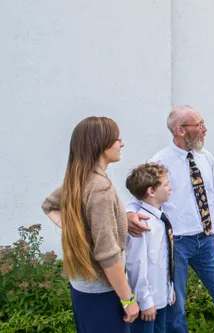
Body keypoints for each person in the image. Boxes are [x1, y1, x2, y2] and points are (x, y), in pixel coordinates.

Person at [126, 105, 214, 333]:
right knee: (175, 310)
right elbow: (139, 194)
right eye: (199, 125)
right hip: (175, 244)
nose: (205, 129)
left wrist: (213, 225)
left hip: (205, 242)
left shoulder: (206, 158)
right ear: (180, 130)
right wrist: (129, 214)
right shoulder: (160, 161)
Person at [41, 116, 139, 333]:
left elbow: (50, 206)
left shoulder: (79, 178)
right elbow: (107, 254)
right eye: (117, 139)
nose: (121, 143)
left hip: (81, 287)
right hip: (103, 291)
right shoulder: (100, 188)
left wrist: (82, 233)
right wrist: (128, 299)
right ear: (102, 145)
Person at [125, 162, 176, 333]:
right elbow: (136, 264)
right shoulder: (142, 223)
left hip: (161, 298)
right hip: (146, 305)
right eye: (166, 184)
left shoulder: (161, 218)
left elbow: (163, 260)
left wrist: (169, 289)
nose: (171, 187)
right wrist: (144, 300)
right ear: (151, 191)